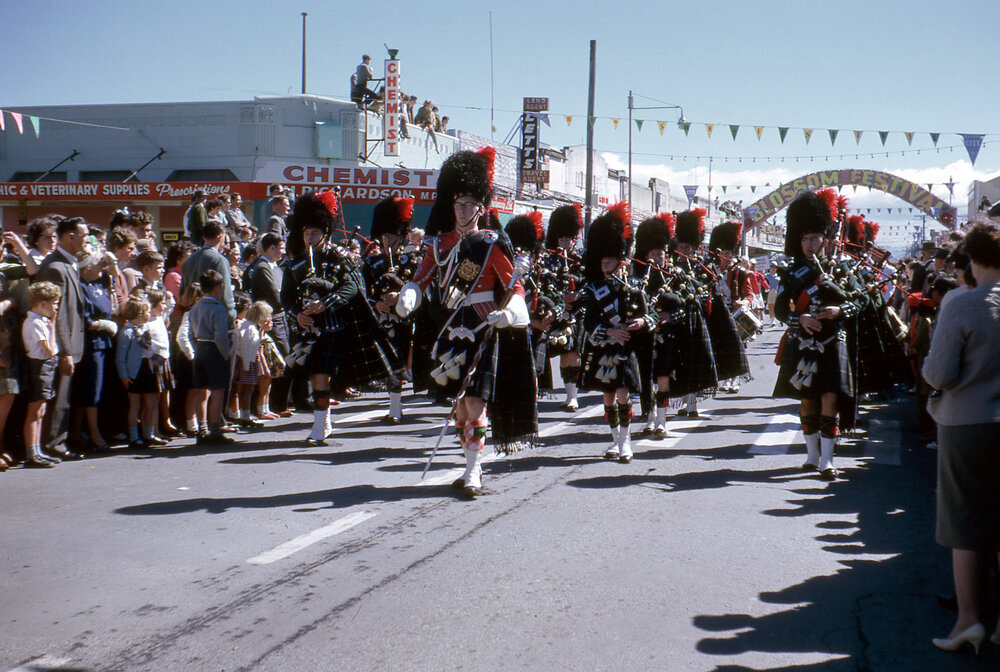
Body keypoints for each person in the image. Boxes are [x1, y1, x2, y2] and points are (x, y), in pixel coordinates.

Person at [396, 148, 537, 498]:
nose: (462, 210)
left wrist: (511, 311)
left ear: (481, 208)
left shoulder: (491, 244)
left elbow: (515, 285)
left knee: (474, 403)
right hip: (447, 328)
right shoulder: (438, 244)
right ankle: (467, 463)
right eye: (457, 203)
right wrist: (410, 295)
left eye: (469, 204)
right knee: (458, 405)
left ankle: (473, 472)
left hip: (481, 327)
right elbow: (422, 276)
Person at [923, 214, 1000, 654]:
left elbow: (940, 373)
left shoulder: (960, 302)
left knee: (966, 525)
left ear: (972, 259)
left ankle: (969, 620)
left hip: (967, 425)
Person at [283, 191, 400, 445]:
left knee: (321, 374)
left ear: (325, 233)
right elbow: (286, 296)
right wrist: (298, 315)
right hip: (307, 329)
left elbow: (352, 288)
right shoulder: (295, 264)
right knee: (314, 375)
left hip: (335, 327)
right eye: (306, 233)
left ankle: (320, 424)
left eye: (314, 233)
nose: (309, 238)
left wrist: (325, 303)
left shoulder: (339, 256)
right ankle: (322, 422)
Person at [773, 190, 866, 480]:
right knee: (806, 401)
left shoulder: (842, 267)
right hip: (802, 341)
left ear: (826, 239)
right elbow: (778, 310)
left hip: (832, 340)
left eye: (815, 238)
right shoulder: (791, 272)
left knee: (829, 398)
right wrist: (798, 318)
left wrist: (839, 312)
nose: (810, 244)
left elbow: (860, 300)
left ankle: (828, 459)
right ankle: (811, 456)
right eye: (805, 239)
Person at [579, 203, 651, 462]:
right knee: (608, 398)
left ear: (621, 262)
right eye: (603, 262)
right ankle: (615, 441)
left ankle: (626, 444)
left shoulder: (633, 290)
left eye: (610, 262)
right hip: (603, 349)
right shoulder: (594, 290)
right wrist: (609, 331)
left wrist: (642, 323)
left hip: (626, 350)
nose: (606, 266)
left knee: (624, 395)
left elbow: (649, 316)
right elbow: (588, 323)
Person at [36, 216, 90, 459]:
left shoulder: (70, 263)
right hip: (60, 346)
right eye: (84, 235)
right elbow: (55, 316)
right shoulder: (55, 266)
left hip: (73, 343)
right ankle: (53, 444)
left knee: (65, 397)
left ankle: (61, 440)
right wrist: (65, 351)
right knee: (58, 398)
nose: (87, 240)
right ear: (70, 237)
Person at [364, 196, 419, 423]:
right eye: (384, 236)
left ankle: (396, 408)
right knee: (389, 363)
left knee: (399, 363)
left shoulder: (412, 261)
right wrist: (375, 303)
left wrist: (401, 295)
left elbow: (420, 289)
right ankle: (393, 407)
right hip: (381, 318)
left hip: (405, 319)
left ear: (401, 235)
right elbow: (364, 292)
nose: (386, 240)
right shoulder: (371, 263)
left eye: (391, 236)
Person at [69, 250, 117, 453]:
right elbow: (84, 319)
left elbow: (112, 277)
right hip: (91, 344)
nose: (103, 267)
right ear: (87, 266)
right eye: (99, 263)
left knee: (91, 390)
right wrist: (104, 325)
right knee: (90, 391)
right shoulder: (80, 286)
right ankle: (94, 434)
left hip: (104, 343)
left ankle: (77, 431)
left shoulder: (99, 283)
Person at [187, 270, 235, 445]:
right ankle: (215, 430)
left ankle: (202, 429)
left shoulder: (195, 308)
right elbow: (221, 336)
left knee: (201, 390)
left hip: (199, 347)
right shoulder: (218, 309)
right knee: (217, 390)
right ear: (217, 288)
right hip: (214, 349)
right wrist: (225, 354)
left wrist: (196, 348)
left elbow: (190, 333)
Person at [21, 281, 62, 467]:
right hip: (40, 366)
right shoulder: (35, 322)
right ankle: (32, 454)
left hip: (46, 367)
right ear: (43, 303)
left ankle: (38, 451)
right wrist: (53, 328)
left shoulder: (41, 320)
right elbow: (49, 351)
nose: (56, 307)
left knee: (41, 410)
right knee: (35, 411)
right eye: (54, 303)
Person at [180, 220, 235, 321]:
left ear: (204, 237)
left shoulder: (189, 260)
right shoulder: (219, 260)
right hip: (214, 319)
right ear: (220, 237)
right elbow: (225, 295)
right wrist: (231, 317)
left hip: (192, 317)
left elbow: (182, 294)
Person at [233, 301, 273, 427]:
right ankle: (244, 416)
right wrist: (247, 366)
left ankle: (240, 414)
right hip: (248, 361)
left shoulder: (248, 325)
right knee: (247, 389)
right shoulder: (251, 328)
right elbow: (250, 346)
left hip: (246, 360)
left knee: (243, 390)